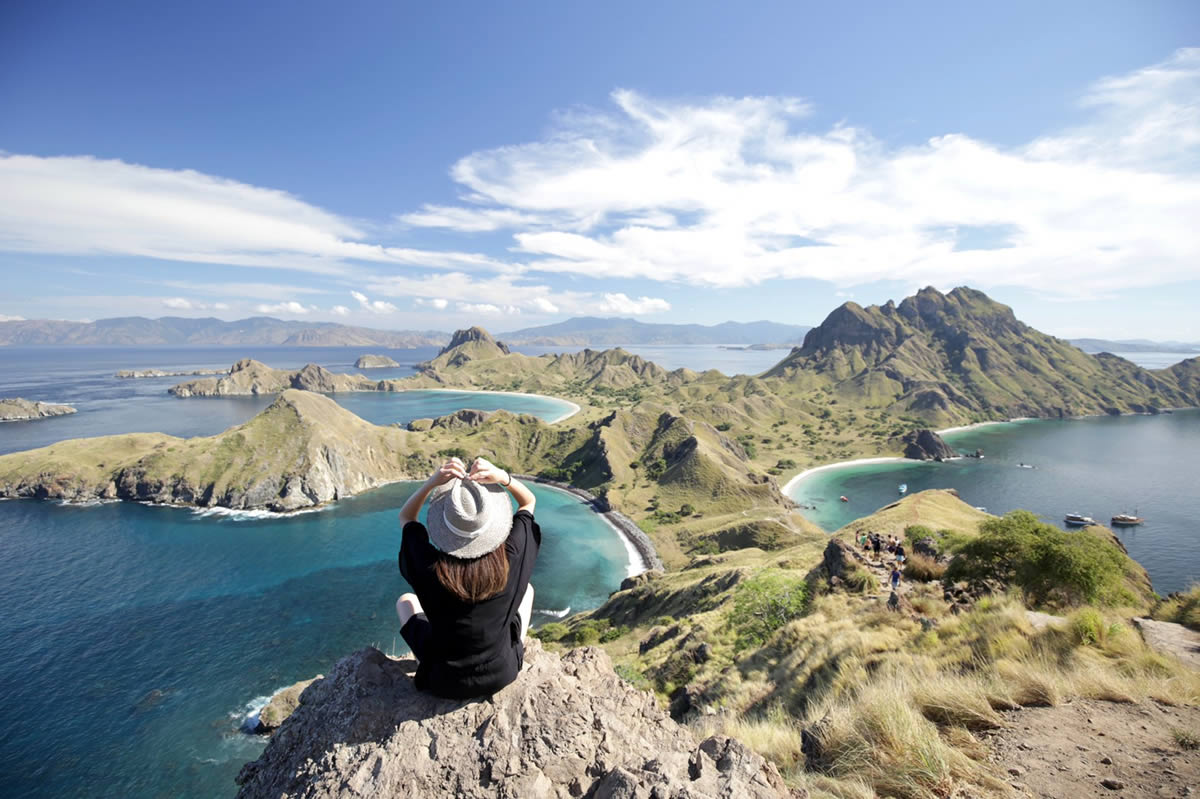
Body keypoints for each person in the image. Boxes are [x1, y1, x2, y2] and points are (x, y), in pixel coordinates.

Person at [395, 456, 540, 699]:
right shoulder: (511, 556)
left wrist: (432, 483)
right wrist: (503, 477)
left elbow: (406, 518)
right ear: (492, 522)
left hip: (441, 679)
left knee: (406, 600)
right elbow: (528, 502)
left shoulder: (430, 566)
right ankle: (517, 645)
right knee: (529, 590)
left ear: (444, 525)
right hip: (501, 672)